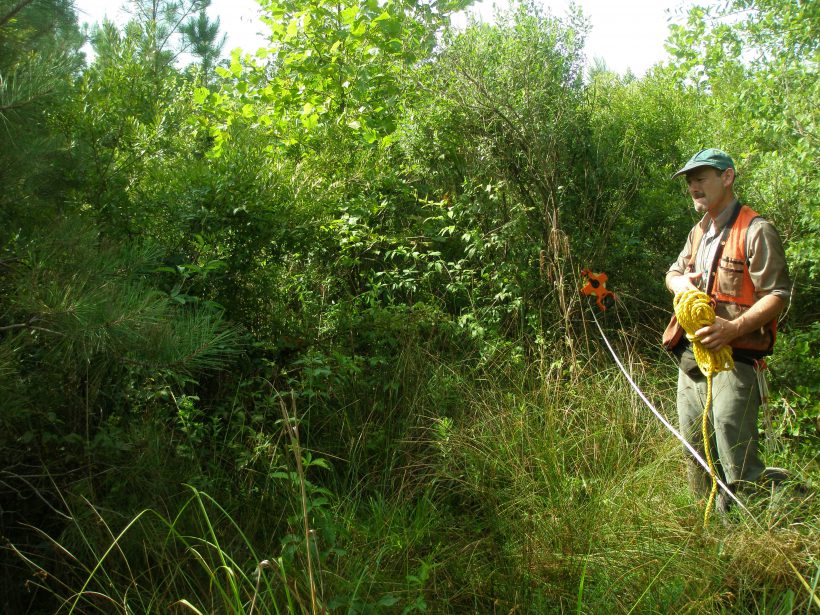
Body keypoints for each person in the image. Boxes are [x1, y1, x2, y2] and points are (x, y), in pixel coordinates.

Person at [662, 148, 791, 509]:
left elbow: (778, 294)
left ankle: (752, 536)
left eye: (701, 178)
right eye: (690, 181)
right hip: (692, 357)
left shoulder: (756, 230)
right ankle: (711, 535)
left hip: (737, 359)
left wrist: (733, 329)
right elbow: (673, 273)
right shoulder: (699, 231)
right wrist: (681, 285)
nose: (693, 187)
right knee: (695, 447)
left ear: (728, 177)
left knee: (735, 452)